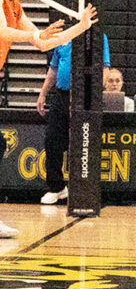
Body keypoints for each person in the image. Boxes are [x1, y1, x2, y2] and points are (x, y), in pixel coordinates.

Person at [0, 0, 96, 238]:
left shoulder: (15, 3)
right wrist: (37, 33)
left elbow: (42, 42)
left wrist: (79, 27)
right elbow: (2, 30)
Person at [35, 36, 111, 204]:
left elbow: (105, 68)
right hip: (61, 96)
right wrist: (43, 93)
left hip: (84, 96)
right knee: (52, 139)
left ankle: (84, 191)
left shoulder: (98, 37)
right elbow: (53, 69)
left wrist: (94, 93)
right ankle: (57, 188)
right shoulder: (63, 37)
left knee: (83, 143)